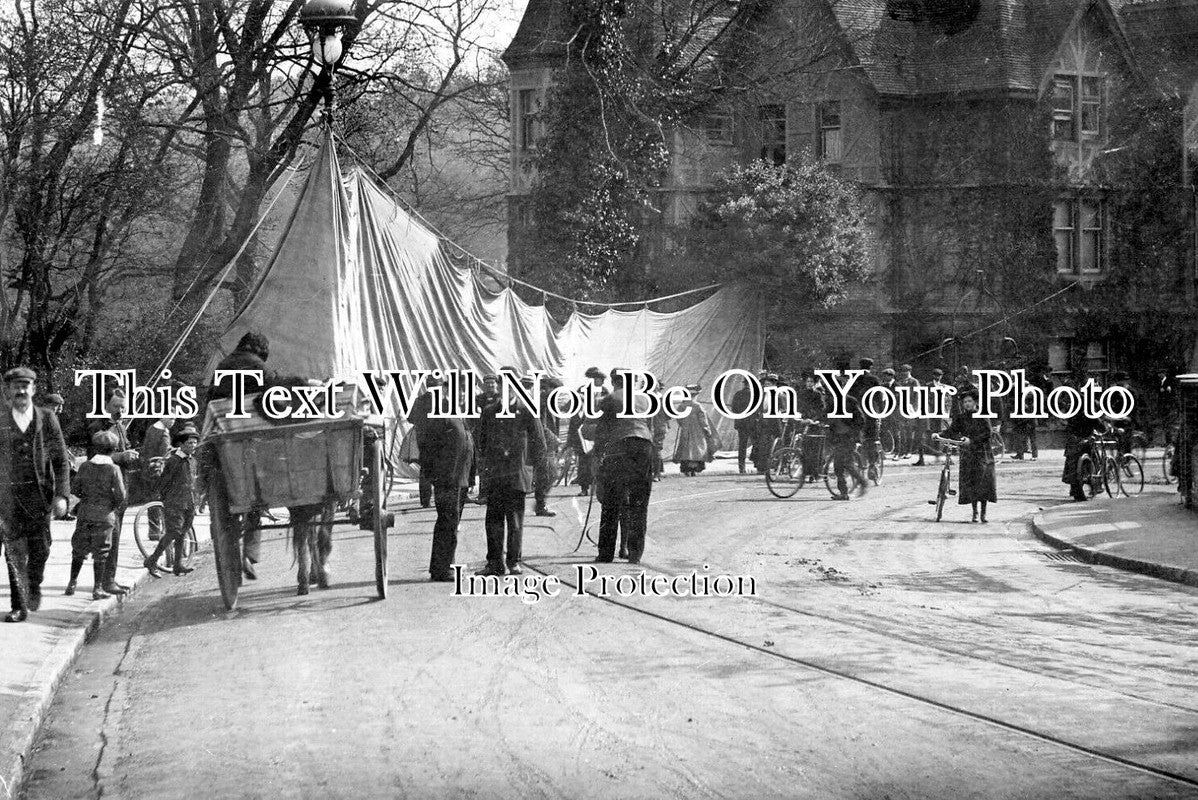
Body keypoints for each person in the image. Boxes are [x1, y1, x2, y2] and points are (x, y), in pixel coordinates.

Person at [206, 330, 306, 579]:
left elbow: (209, 400)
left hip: (230, 449)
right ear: (260, 350)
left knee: (245, 497)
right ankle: (250, 553)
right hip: (260, 446)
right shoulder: (256, 365)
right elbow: (277, 385)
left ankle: (242, 554)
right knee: (258, 493)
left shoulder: (221, 367)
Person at [1, 368, 70, 622]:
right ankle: (19, 604)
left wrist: (62, 495)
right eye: (15, 386)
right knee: (14, 552)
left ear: (34, 389)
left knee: (41, 549)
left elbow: (61, 461)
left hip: (40, 497)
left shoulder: (47, 418)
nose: (21, 391)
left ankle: (34, 583)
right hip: (9, 498)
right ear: (8, 391)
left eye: (25, 385)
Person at [476, 368, 546, 576]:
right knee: (494, 521)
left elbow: (540, 445)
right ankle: (494, 564)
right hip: (496, 476)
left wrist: (530, 471)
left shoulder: (527, 411)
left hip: (517, 476)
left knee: (515, 521)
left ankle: (514, 562)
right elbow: (482, 443)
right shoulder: (489, 411)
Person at [593, 370, 655, 564]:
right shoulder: (645, 399)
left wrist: (597, 456)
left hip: (620, 448)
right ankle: (635, 554)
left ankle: (606, 554)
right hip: (644, 447)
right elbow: (649, 427)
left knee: (612, 502)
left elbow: (602, 430)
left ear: (614, 382)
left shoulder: (610, 398)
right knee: (639, 503)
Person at [86, 387, 140, 596]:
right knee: (107, 537)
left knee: (115, 537)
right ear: (106, 405)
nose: (120, 411)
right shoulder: (96, 427)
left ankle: (110, 579)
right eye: (116, 406)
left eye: (123, 407)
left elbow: (121, 451)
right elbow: (93, 457)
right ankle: (105, 582)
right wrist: (121, 457)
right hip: (104, 492)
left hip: (120, 490)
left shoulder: (120, 427)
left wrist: (131, 455)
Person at [420, 388, 473, 582]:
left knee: (451, 523)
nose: (461, 394)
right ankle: (444, 569)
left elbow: (467, 444)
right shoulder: (440, 414)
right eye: (456, 391)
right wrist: (434, 476)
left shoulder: (459, 414)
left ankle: (441, 567)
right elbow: (427, 447)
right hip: (447, 479)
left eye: (462, 392)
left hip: (459, 479)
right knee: (448, 523)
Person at [66, 430, 126, 599]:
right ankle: (97, 588)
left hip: (85, 513)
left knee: (78, 549)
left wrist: (86, 498)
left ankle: (72, 583)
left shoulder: (85, 466)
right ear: (113, 449)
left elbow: (75, 489)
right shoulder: (114, 469)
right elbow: (121, 495)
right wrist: (111, 505)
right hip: (104, 515)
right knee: (101, 552)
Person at [143, 424, 200, 577]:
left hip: (189, 502)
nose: (193, 446)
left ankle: (178, 564)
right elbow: (163, 482)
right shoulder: (174, 461)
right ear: (181, 444)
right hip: (174, 503)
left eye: (195, 443)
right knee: (173, 532)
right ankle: (152, 559)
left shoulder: (193, 461)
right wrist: (166, 498)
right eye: (189, 443)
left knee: (182, 533)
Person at [938, 391, 997, 523]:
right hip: (968, 454)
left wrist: (972, 440)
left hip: (983, 453)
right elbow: (952, 431)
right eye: (965, 402)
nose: (967, 404)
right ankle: (974, 512)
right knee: (971, 483)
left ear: (975, 402)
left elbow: (988, 433)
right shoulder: (961, 417)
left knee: (983, 483)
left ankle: (983, 513)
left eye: (969, 401)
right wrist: (939, 434)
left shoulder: (982, 415)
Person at [1062, 374, 1106, 501]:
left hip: (1073, 436)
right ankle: (1095, 486)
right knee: (1094, 458)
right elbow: (1093, 418)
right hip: (1085, 435)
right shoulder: (1085, 401)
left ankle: (1074, 488)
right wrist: (1103, 428)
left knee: (1071, 462)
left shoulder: (1069, 400)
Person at [828, 359, 867, 501]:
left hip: (848, 438)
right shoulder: (833, 401)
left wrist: (852, 433)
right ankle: (844, 493)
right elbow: (825, 414)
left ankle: (861, 482)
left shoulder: (851, 401)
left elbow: (861, 420)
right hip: (838, 437)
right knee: (839, 465)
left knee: (845, 463)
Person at [567, 367, 606, 495]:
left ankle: (599, 487)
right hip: (583, 431)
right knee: (584, 460)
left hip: (599, 430)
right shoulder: (581, 392)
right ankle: (584, 488)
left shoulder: (605, 393)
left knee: (600, 459)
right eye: (594, 379)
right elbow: (573, 412)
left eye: (599, 379)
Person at [138, 413, 175, 541]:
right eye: (171, 418)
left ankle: (154, 530)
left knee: (152, 500)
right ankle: (161, 530)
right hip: (159, 470)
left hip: (148, 469)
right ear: (162, 417)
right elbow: (164, 454)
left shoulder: (152, 429)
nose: (173, 421)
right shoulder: (163, 432)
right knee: (160, 499)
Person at [532, 376, 561, 517]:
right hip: (544, 444)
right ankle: (540, 504)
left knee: (548, 474)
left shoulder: (549, 402)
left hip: (549, 444)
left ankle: (540, 503)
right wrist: (554, 438)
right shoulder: (542, 402)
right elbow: (541, 426)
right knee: (549, 474)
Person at [672, 384, 715, 476]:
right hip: (697, 431)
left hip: (686, 430)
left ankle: (686, 468)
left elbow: (678, 418)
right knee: (697, 448)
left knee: (686, 448)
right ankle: (694, 469)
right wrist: (706, 429)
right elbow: (703, 420)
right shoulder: (697, 406)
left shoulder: (682, 406)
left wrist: (683, 424)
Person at [850, 358, 882, 479]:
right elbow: (879, 398)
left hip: (856, 413)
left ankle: (854, 463)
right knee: (872, 439)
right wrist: (881, 412)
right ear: (871, 367)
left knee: (855, 438)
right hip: (870, 413)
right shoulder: (874, 380)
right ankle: (872, 466)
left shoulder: (853, 379)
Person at [731, 376, 758, 474]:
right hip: (753, 423)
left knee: (742, 446)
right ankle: (757, 465)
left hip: (741, 424)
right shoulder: (755, 395)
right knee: (756, 444)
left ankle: (741, 467)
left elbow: (734, 409)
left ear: (744, 384)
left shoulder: (738, 394)